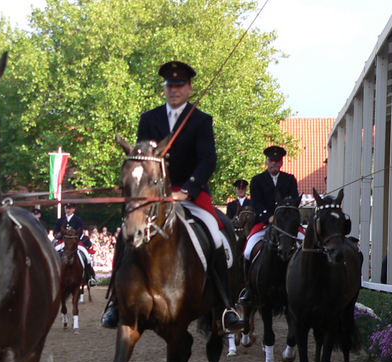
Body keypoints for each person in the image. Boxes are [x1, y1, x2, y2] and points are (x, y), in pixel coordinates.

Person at [101, 60, 244, 334]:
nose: (174, 90)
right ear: (164, 88)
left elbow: (207, 160)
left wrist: (187, 189)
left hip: (190, 193)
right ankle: (116, 302)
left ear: (189, 89)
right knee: (126, 232)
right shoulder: (149, 119)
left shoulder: (201, 120)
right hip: (155, 195)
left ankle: (225, 306)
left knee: (215, 234)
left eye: (179, 85)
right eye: (169, 85)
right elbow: (143, 158)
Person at [238, 145, 300, 303]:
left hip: (286, 225)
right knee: (248, 250)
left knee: (306, 244)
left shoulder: (290, 179)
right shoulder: (257, 180)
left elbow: (293, 201)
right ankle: (249, 288)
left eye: (277, 161)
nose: (274, 164)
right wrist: (269, 217)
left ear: (281, 163)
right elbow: (256, 203)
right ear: (266, 162)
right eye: (271, 161)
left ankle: (307, 283)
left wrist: (284, 217)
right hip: (264, 223)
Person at [54, 203, 97, 286]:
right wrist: (57, 235)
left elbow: (80, 231)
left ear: (73, 209)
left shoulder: (78, 219)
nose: (68, 210)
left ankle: (90, 277)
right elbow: (56, 230)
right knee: (53, 253)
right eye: (67, 208)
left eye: (70, 208)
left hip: (75, 241)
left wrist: (74, 238)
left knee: (87, 257)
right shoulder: (60, 220)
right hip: (63, 241)